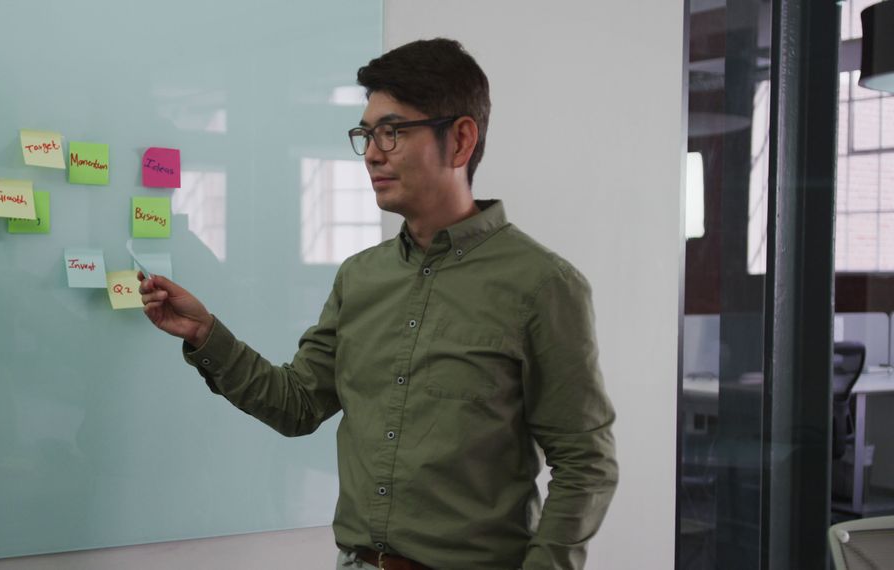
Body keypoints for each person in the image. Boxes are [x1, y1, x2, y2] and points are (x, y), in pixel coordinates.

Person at [138, 38, 618, 570]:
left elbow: (585, 463)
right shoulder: (360, 277)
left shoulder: (543, 285)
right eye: (365, 134)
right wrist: (207, 335)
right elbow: (298, 404)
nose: (371, 152)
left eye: (392, 131)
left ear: (460, 141)